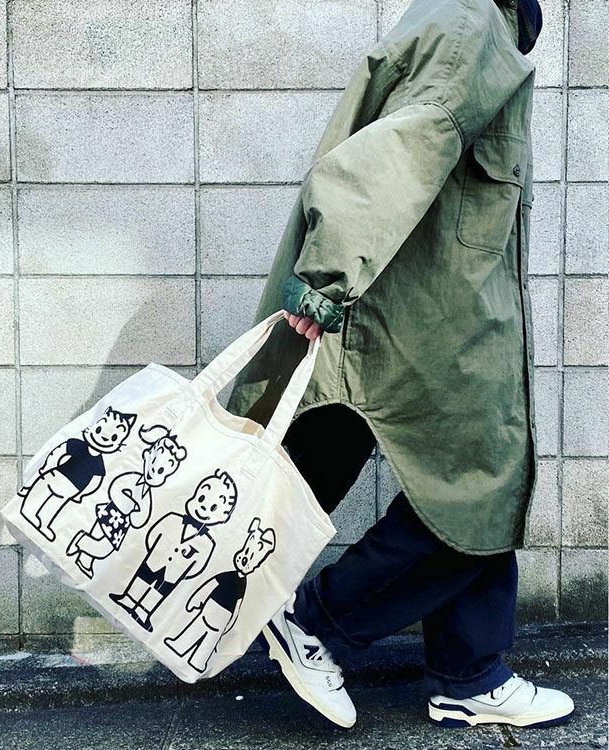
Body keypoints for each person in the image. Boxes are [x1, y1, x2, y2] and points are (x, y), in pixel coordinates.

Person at [225, 0, 576, 731]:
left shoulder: (476, 21)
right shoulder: (473, 25)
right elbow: (403, 149)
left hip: (435, 306)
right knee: (481, 486)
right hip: (422, 315)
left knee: (478, 474)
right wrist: (326, 280)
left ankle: (471, 673)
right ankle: (320, 621)